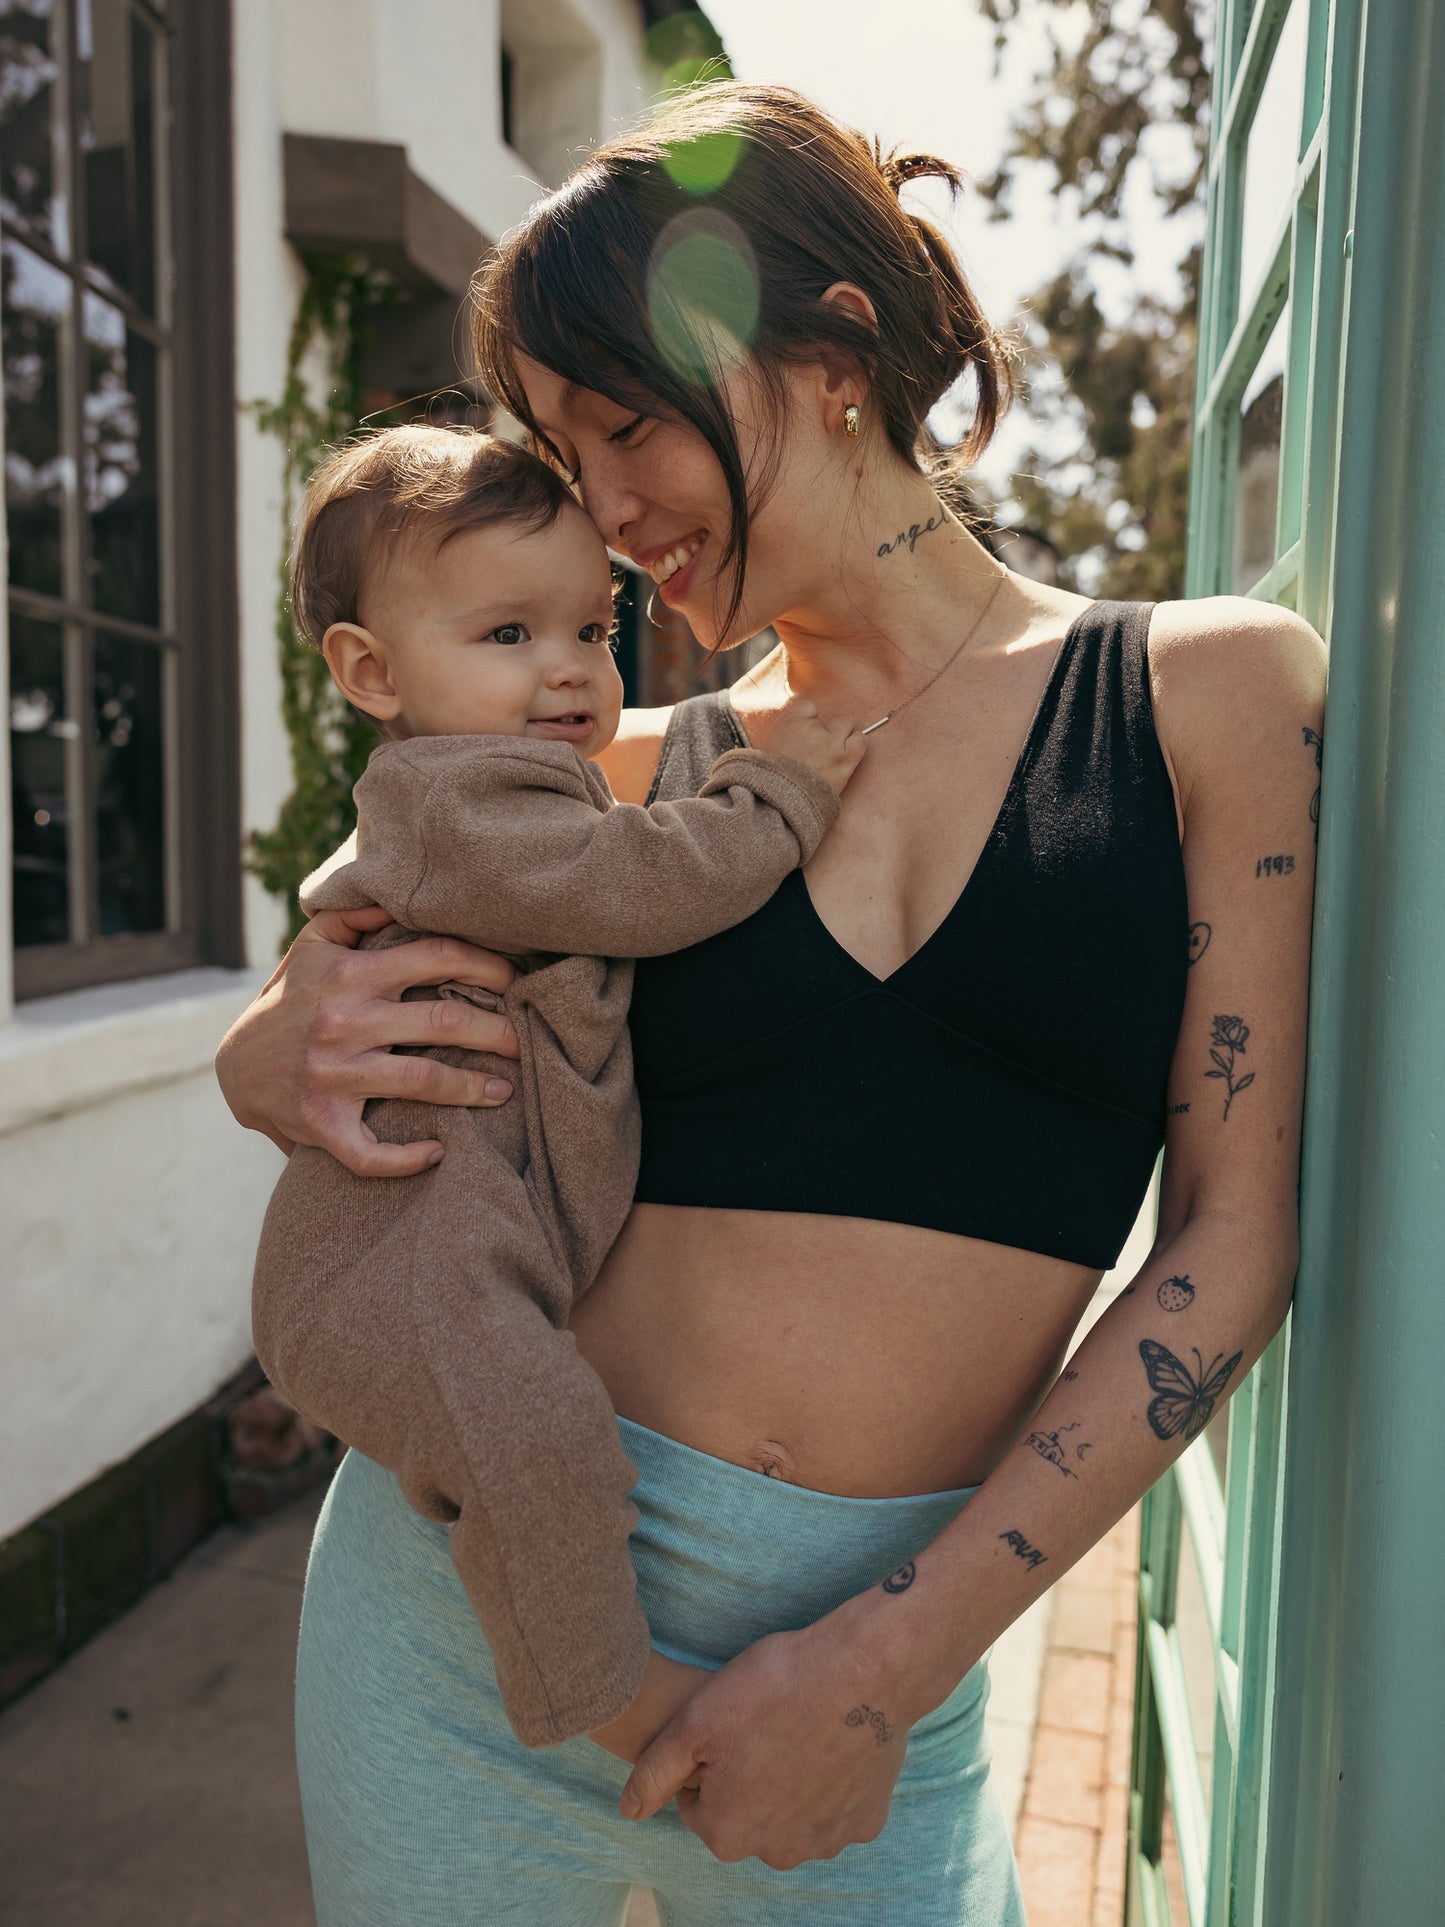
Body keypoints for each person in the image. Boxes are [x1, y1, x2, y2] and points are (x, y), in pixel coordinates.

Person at [217, 81, 1325, 1927]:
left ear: (830, 353)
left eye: (629, 424)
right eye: (566, 455)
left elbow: (1234, 1239)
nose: (606, 512)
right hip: (458, 1626)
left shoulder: (1201, 695)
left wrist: (891, 1664)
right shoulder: (624, 768)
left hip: (872, 1684)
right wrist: (273, 1032)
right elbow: (373, 901)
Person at [250, 421, 856, 1753]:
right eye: (508, 635)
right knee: (541, 1447)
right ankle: (608, 1703)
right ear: (370, 673)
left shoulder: (522, 782)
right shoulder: (457, 800)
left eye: (593, 626)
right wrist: (778, 799)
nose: (571, 671)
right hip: (405, 1251)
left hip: (464, 1249)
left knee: (513, 1445)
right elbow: (631, 885)